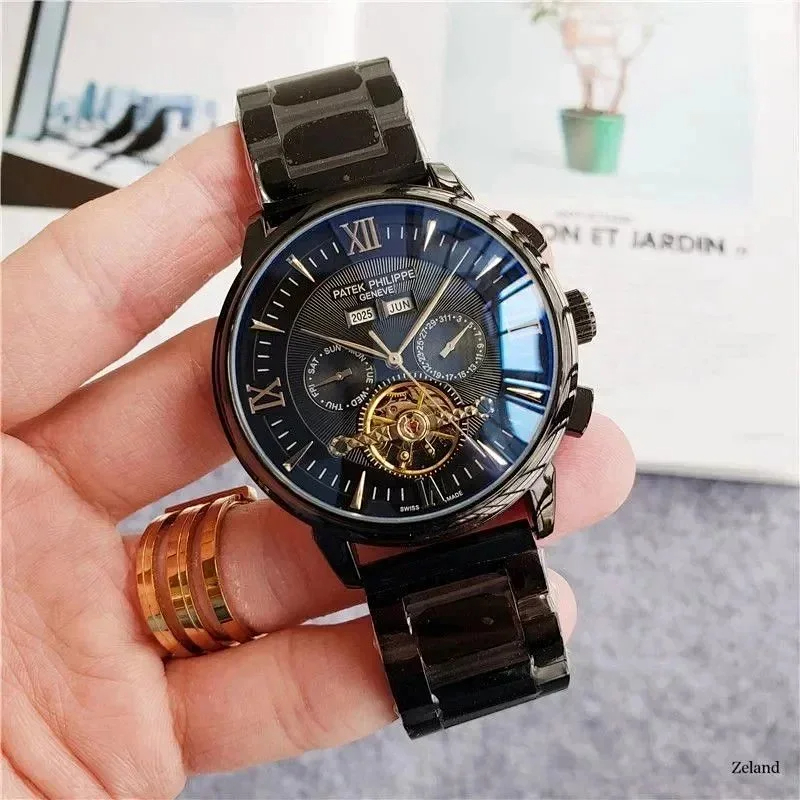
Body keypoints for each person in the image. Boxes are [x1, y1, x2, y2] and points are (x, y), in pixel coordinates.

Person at [1, 124, 635, 798]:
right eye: (344, 370)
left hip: (462, 482)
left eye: (422, 345)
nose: (397, 361)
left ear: (569, 319)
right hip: (388, 491)